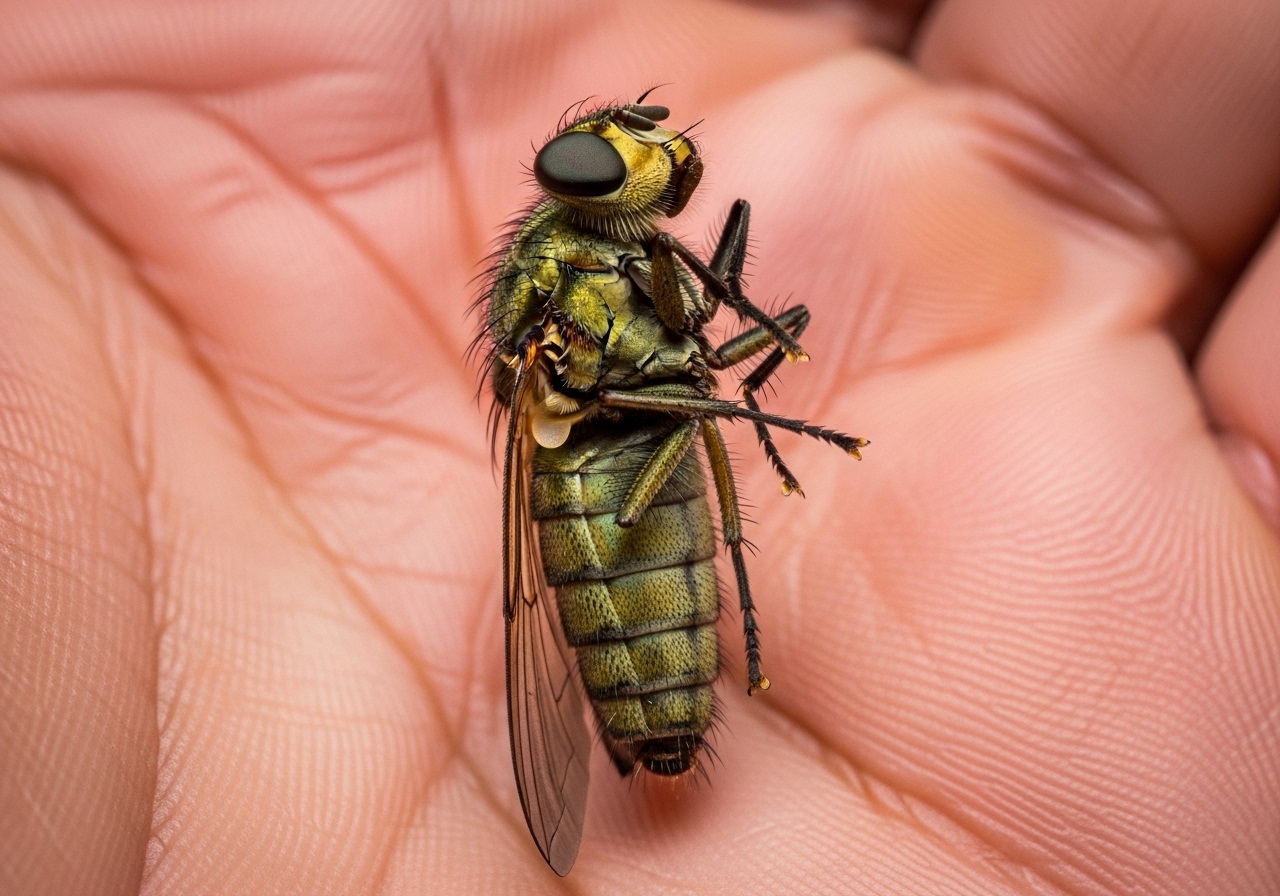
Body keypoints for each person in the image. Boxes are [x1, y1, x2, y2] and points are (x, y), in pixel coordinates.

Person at [1, 1, 1277, 892]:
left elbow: (702, 346)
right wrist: (766, 415)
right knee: (690, 400)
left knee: (705, 379)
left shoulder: (629, 259)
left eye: (657, 157)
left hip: (647, 450)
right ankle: (721, 561)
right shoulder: (569, 290)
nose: (657, 166)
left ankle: (741, 491)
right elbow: (664, 383)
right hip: (607, 508)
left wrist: (742, 381)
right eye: (617, 161)